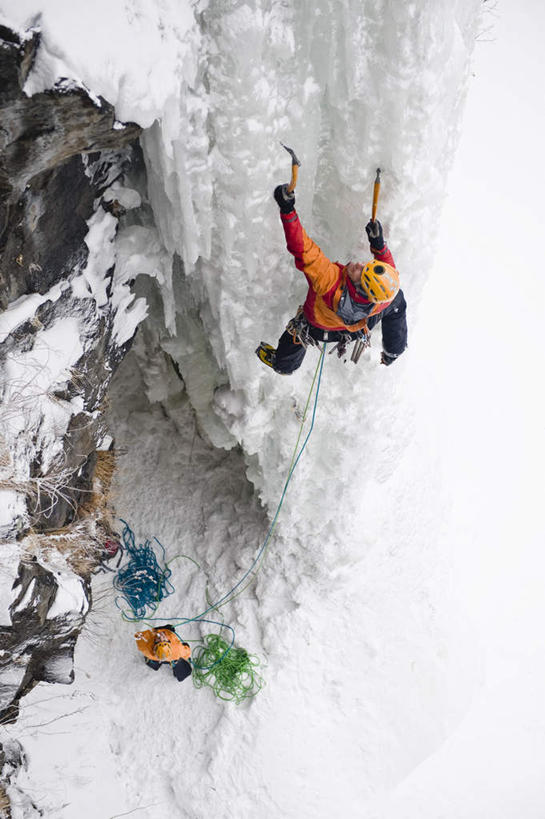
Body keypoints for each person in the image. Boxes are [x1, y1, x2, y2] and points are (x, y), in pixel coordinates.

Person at [256, 184, 407, 373]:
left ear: (359, 286)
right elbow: (390, 279)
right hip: (356, 330)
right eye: (365, 266)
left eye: (361, 272)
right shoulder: (378, 300)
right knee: (397, 299)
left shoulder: (330, 282)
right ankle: (393, 351)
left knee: (297, 332)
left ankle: (283, 365)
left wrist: (287, 210)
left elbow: (303, 249)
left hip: (318, 328)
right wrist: (379, 247)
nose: (359, 265)